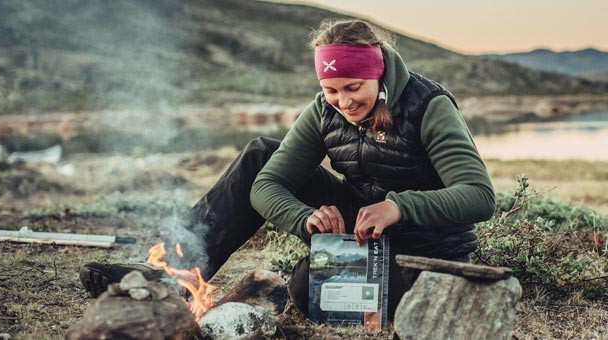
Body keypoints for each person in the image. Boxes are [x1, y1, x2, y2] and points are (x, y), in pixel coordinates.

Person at [79, 19, 495, 321]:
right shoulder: (323, 111)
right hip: (357, 227)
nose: (343, 102)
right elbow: (266, 185)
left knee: (303, 289)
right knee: (260, 153)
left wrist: (398, 208)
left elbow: (479, 196)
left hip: (423, 244)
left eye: (354, 88)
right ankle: (170, 273)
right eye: (331, 90)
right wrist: (304, 218)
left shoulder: (429, 107)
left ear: (378, 75)